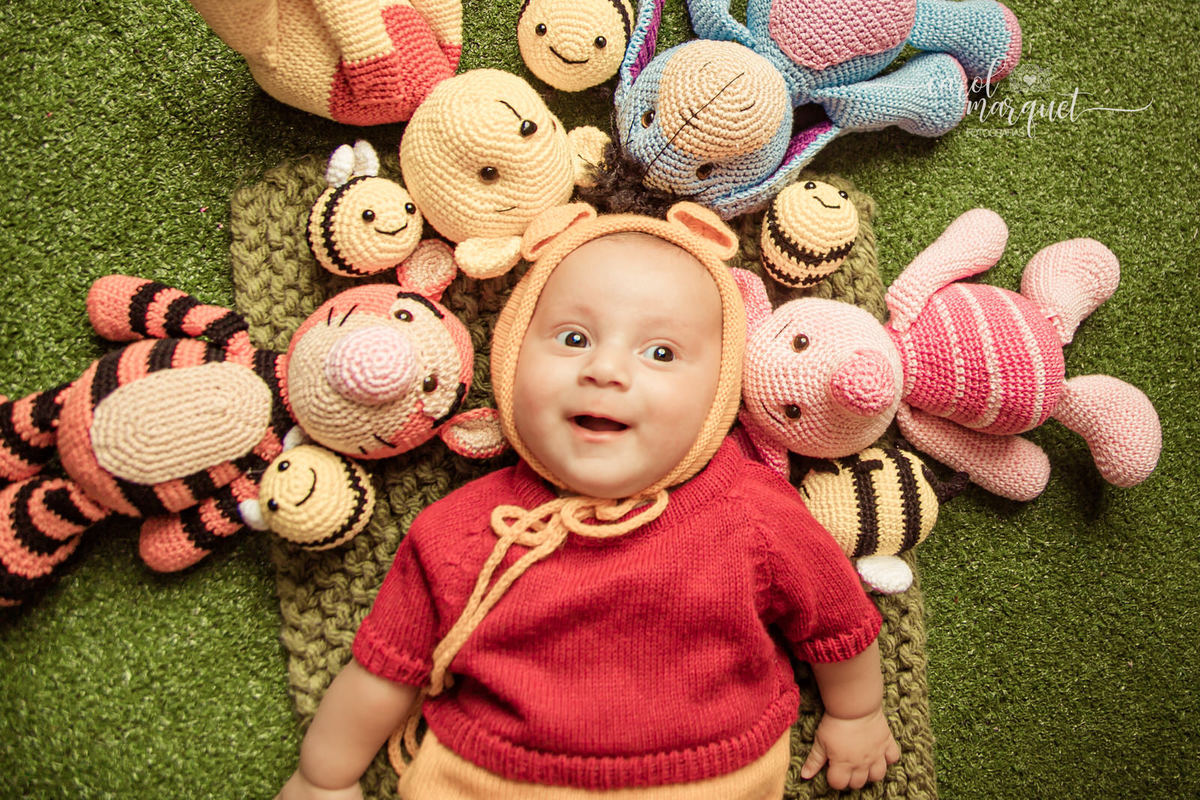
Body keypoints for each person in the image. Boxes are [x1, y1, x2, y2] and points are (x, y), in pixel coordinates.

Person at [277, 201, 899, 800]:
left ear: (718, 393)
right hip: (489, 773)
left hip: (708, 771)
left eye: (661, 353)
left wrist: (857, 713)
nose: (605, 370)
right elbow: (386, 666)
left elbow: (838, 619)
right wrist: (325, 776)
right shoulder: (472, 530)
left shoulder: (752, 513)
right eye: (573, 338)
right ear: (513, 356)